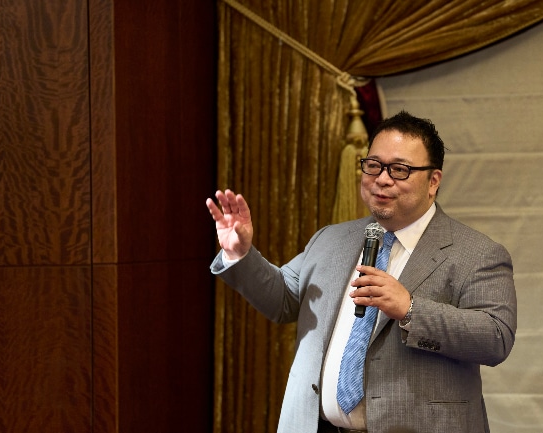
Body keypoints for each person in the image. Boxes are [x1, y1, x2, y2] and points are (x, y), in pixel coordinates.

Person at [206, 111, 517, 433]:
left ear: (433, 181)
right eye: (373, 165)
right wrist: (239, 253)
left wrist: (411, 309)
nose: (382, 179)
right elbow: (282, 300)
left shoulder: (476, 253)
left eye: (399, 169)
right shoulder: (331, 239)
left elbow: (496, 338)